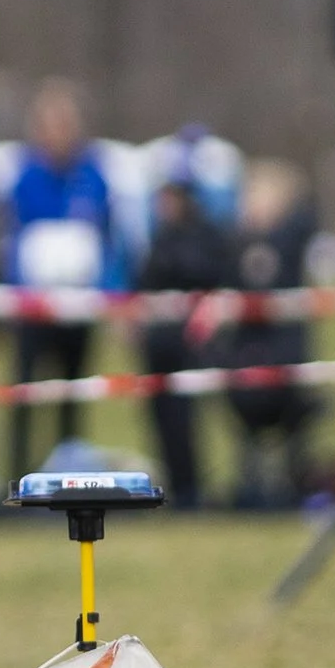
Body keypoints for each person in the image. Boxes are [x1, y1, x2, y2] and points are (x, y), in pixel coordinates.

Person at [1, 79, 117, 486]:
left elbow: (109, 238)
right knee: (25, 394)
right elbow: (11, 237)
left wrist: (109, 294)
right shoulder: (24, 176)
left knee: (73, 395)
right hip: (33, 308)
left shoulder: (94, 175)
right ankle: (18, 477)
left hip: (80, 306)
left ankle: (70, 474)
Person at [223, 160, 322, 509]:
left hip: (286, 351)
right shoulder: (236, 243)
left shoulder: (291, 240)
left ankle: (295, 484)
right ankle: (252, 488)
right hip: (247, 353)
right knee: (243, 407)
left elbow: (309, 223)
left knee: (295, 408)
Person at [134, 171, 235, 508]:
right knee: (160, 417)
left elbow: (210, 277)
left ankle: (192, 488)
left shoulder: (205, 237)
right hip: (157, 342)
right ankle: (174, 484)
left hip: (190, 343)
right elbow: (144, 282)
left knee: (186, 417)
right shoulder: (160, 237)